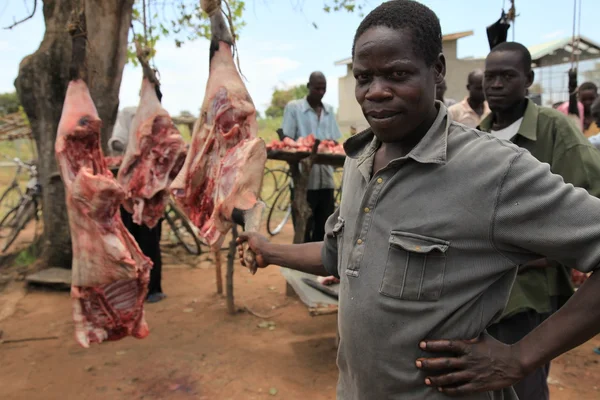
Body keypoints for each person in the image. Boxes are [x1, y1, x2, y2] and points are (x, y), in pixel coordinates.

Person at [236, 2, 600, 399]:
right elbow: (339, 254)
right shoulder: (361, 160)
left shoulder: (493, 170)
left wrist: (521, 357)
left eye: (398, 74)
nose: (376, 91)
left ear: (437, 70)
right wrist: (269, 251)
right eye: (364, 77)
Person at [478, 41, 600, 400]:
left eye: (507, 76)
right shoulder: (476, 137)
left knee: (522, 387)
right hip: (477, 293)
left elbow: (591, 201)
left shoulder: (555, 131)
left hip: (528, 294)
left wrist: (543, 250)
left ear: (528, 79)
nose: (496, 84)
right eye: (490, 77)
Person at [109, 101, 166, 304]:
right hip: (129, 192)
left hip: (152, 194)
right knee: (130, 241)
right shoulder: (129, 113)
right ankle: (137, 287)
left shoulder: (162, 118)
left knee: (150, 241)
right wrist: (134, 146)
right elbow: (116, 142)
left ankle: (152, 288)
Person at [281, 71, 342, 243]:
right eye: (317, 88)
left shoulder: (329, 111)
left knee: (324, 230)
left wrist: (330, 146)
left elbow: (334, 142)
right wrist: (302, 144)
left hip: (326, 181)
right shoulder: (294, 108)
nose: (321, 92)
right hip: (304, 182)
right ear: (308, 87)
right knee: (303, 229)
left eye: (324, 89)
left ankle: (319, 267)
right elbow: (287, 139)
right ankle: (301, 267)